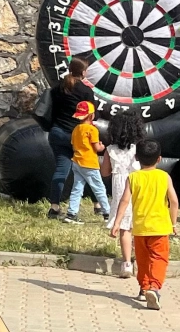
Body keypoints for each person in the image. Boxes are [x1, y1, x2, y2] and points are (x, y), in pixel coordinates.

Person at [110, 138, 177, 311]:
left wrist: (117, 223)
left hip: (140, 228)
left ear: (137, 158)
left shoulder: (133, 178)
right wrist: (173, 222)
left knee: (142, 259)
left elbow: (124, 201)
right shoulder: (164, 176)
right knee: (158, 258)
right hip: (160, 227)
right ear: (159, 159)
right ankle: (154, 287)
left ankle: (144, 287)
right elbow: (174, 201)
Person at [46, 58, 97, 220]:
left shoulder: (58, 88)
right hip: (79, 134)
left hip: (57, 131)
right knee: (89, 168)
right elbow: (92, 114)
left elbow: (51, 111)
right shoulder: (86, 91)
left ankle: (54, 207)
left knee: (61, 169)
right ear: (83, 72)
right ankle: (98, 204)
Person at [102, 113, 143, 279]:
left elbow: (104, 172)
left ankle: (126, 264)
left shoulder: (110, 150)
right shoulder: (138, 149)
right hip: (138, 186)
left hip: (120, 189)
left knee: (124, 227)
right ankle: (140, 262)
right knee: (139, 226)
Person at [64, 101, 110, 223]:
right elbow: (97, 148)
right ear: (91, 116)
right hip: (89, 163)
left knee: (77, 188)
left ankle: (71, 214)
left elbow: (74, 145)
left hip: (77, 162)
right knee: (99, 188)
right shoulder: (92, 130)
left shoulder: (76, 129)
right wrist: (102, 146)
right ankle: (107, 213)